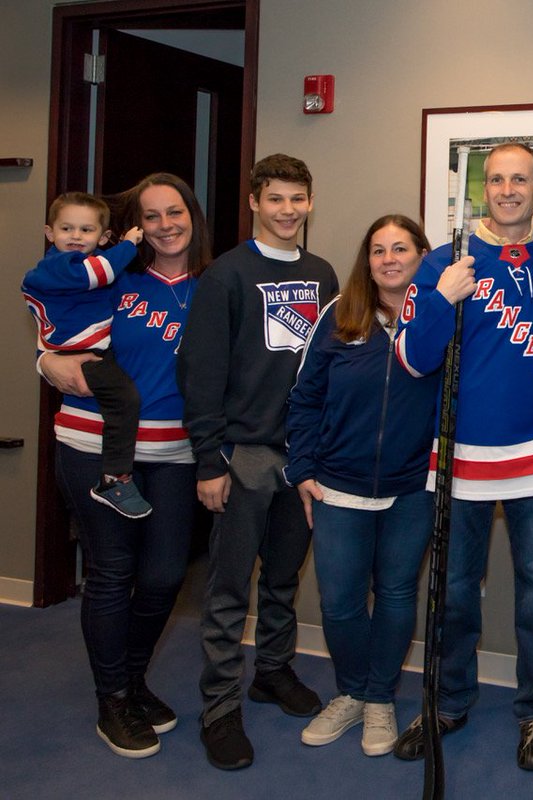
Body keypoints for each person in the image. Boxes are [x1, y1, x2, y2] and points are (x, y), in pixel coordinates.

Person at [394, 142, 533, 770]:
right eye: (497, 179)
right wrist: (442, 297)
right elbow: (413, 357)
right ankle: (447, 700)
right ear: (481, 189)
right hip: (460, 456)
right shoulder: (445, 261)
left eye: (521, 179)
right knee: (456, 589)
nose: (509, 189)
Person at [36, 173, 211, 759]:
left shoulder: (214, 287)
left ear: (193, 216)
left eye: (175, 212)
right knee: (112, 572)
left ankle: (133, 682)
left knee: (164, 576)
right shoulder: (116, 275)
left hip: (177, 454)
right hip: (94, 446)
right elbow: (59, 325)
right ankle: (112, 698)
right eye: (151, 215)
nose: (165, 224)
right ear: (134, 226)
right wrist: (44, 360)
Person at [178, 153, 339, 770]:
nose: (288, 210)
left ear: (310, 201)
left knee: (282, 576)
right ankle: (219, 708)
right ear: (254, 202)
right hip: (241, 454)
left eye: (298, 199)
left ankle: (272, 671)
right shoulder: (225, 276)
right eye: (276, 199)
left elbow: (327, 366)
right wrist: (208, 462)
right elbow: (202, 374)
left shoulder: (322, 274)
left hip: (301, 456)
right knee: (226, 589)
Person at [285, 214, 440, 757]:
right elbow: (304, 398)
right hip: (337, 486)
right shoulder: (339, 315)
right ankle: (351, 692)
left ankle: (380, 699)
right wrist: (301, 469)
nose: (390, 259)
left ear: (424, 255)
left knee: (397, 593)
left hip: (412, 488)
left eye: (401, 248)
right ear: (366, 260)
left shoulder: (438, 320)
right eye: (378, 250)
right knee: (342, 601)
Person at [22, 192, 152, 518]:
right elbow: (101, 273)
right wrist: (130, 243)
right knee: (125, 400)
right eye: (67, 229)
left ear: (101, 236)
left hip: (88, 351)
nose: (76, 237)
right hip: (82, 355)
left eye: (86, 230)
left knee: (120, 401)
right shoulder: (60, 266)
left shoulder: (78, 264)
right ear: (50, 233)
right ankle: (114, 479)